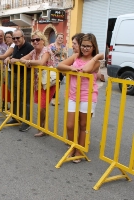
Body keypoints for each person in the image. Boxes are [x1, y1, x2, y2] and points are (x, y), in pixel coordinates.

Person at [57, 33, 104, 163]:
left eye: (89, 46)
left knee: (83, 125)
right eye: (83, 45)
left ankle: (79, 150)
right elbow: (59, 66)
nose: (85, 48)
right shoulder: (76, 56)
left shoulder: (96, 62)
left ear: (94, 47)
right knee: (70, 125)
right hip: (73, 95)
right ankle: (72, 147)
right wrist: (71, 67)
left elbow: (86, 70)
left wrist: (97, 57)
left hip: (88, 96)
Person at [19, 30, 56, 136]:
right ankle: (43, 128)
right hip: (38, 82)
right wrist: (26, 61)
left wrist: (29, 62)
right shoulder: (34, 52)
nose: (35, 42)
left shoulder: (47, 51)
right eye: (33, 40)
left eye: (37, 39)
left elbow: (41, 62)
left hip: (48, 82)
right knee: (41, 106)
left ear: (43, 41)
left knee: (42, 106)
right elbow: (22, 59)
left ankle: (42, 129)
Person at [7, 29, 34, 132]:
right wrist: (9, 58)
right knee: (15, 97)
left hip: (26, 75)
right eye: (14, 38)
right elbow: (15, 58)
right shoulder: (16, 47)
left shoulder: (29, 47)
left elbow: (28, 60)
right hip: (15, 74)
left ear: (23, 37)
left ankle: (26, 121)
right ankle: (15, 117)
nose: (15, 40)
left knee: (25, 99)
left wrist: (16, 60)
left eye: (18, 38)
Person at [49, 33, 67, 106]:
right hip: (53, 67)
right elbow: (50, 54)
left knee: (58, 83)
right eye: (59, 38)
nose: (60, 39)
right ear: (56, 38)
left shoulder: (64, 47)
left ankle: (54, 98)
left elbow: (66, 56)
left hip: (61, 67)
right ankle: (52, 98)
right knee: (53, 82)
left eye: (61, 38)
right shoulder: (52, 46)